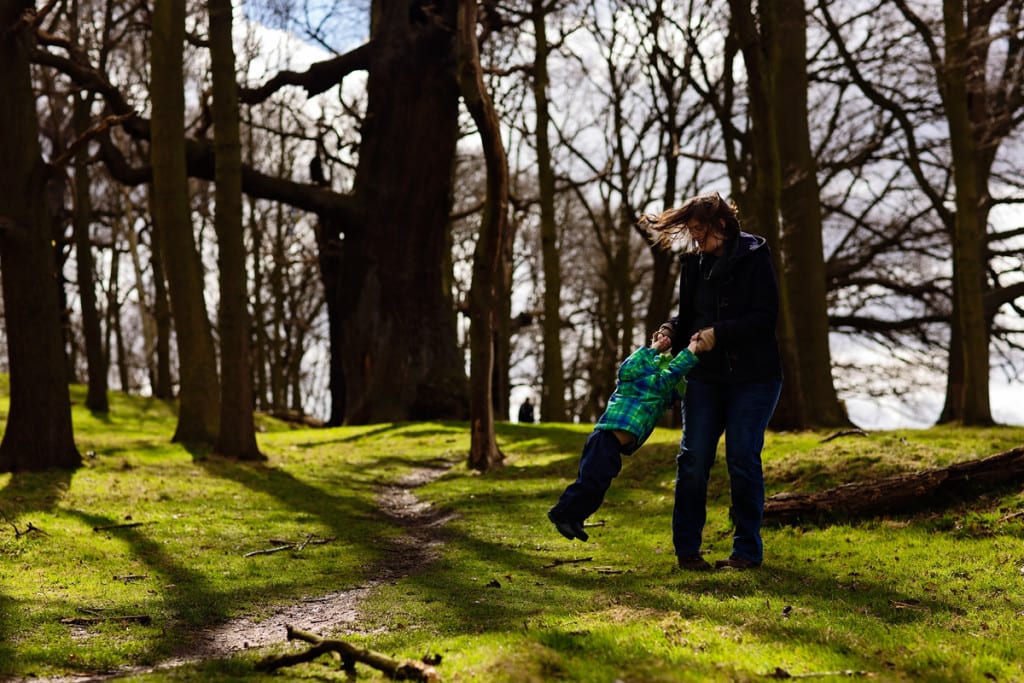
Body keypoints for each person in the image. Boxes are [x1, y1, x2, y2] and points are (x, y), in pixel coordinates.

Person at [642, 191, 782, 571]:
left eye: (700, 231)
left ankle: (747, 552)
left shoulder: (755, 257)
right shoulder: (693, 264)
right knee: (693, 458)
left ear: (722, 224)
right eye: (691, 232)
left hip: (754, 377)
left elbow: (765, 317)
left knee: (741, 456)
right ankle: (688, 552)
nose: (696, 239)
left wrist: (719, 333)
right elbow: (688, 316)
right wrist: (669, 331)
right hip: (705, 378)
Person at [547, 322, 708, 542]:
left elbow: (673, 382)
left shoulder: (657, 396)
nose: (671, 403)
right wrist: (666, 348)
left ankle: (575, 518)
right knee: (590, 482)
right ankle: (561, 513)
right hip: (605, 438)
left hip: (613, 446)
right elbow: (668, 370)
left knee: (598, 486)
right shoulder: (641, 379)